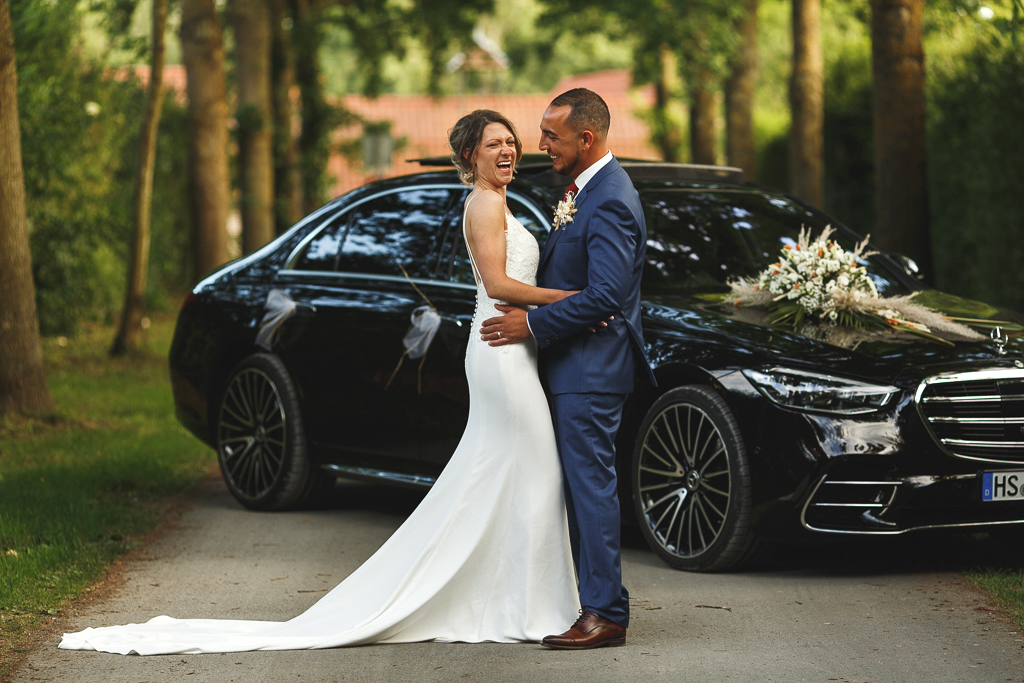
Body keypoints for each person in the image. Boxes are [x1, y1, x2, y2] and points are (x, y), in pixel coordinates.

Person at [58, 110, 583, 654]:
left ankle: (516, 601)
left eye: (510, 142)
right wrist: (574, 302)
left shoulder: (494, 201)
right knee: (534, 471)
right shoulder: (486, 202)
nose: (507, 150)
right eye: (493, 143)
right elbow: (498, 283)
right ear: (470, 155)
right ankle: (529, 606)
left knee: (510, 474)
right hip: (500, 348)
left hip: (508, 345)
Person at [480, 88, 656, 650]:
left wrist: (530, 324)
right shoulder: (587, 190)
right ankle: (586, 602)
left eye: (551, 136)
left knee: (591, 491)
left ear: (587, 138)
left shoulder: (608, 197)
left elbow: (606, 292)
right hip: (577, 365)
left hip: (591, 370)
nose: (540, 145)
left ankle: (605, 613)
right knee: (582, 490)